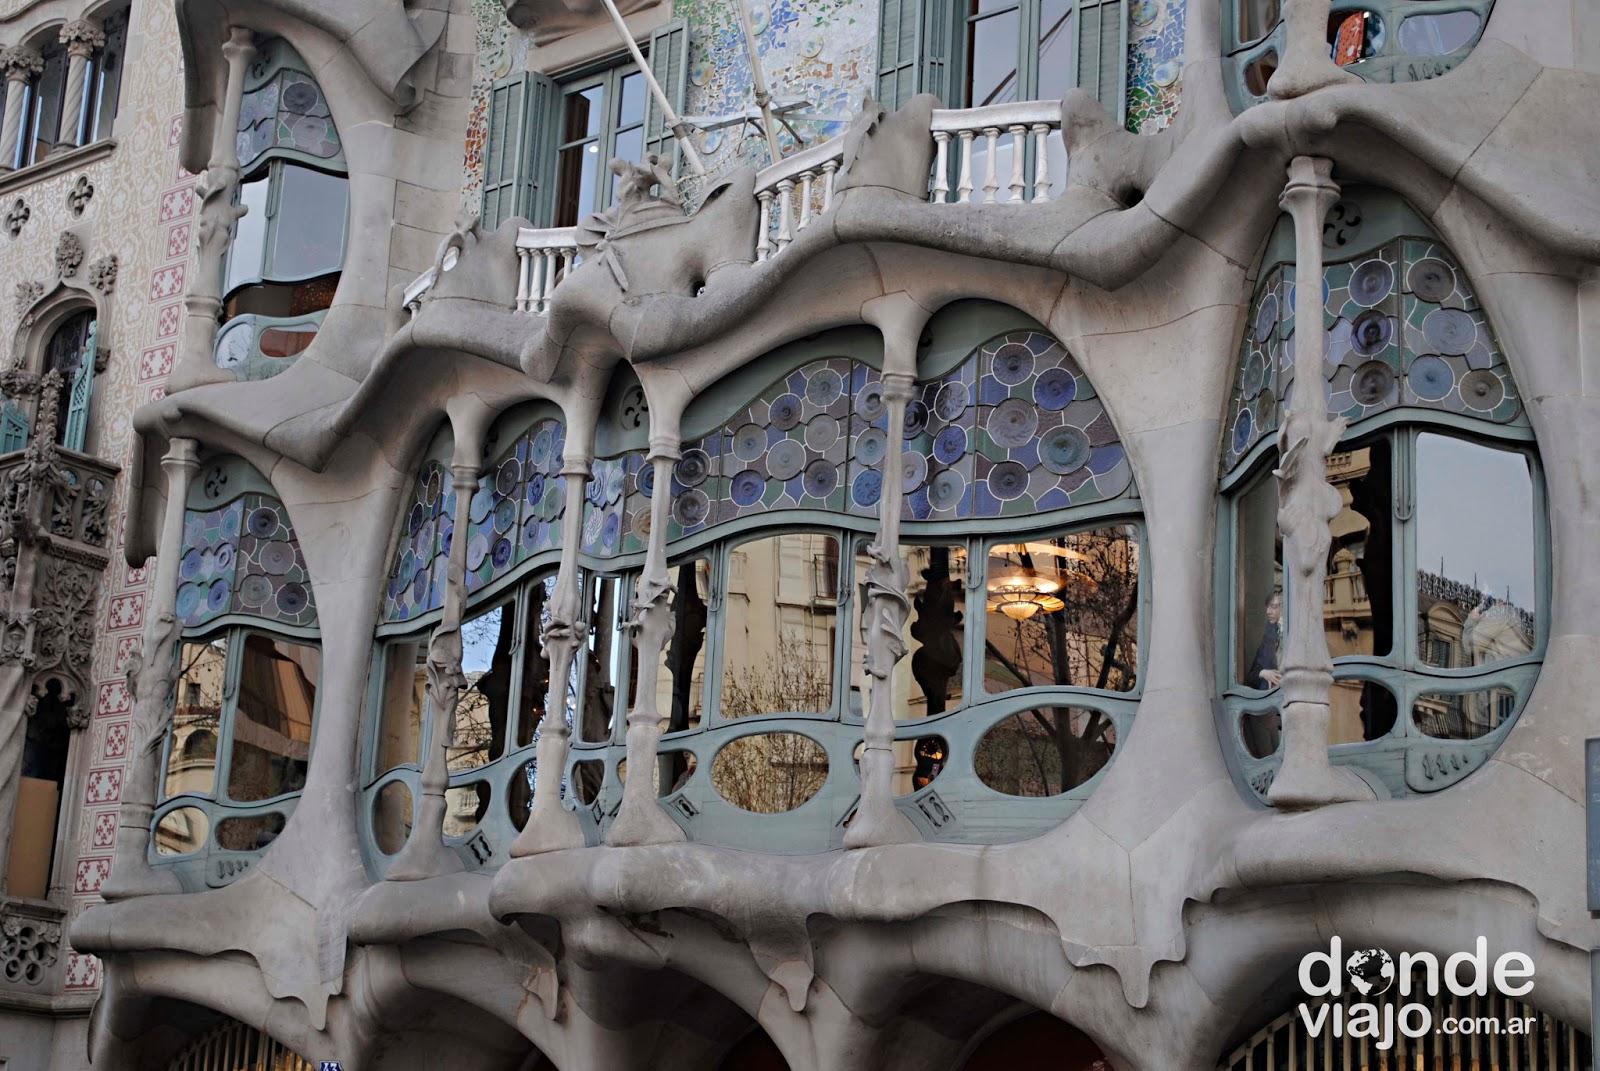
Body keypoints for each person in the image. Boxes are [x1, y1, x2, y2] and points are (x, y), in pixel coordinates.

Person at [1247, 591, 1283, 690]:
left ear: (1283, 608)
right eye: (1267, 607)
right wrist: (1263, 673)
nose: (1268, 611)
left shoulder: (1291, 633)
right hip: (1268, 692)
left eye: (1273, 607)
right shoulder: (1267, 636)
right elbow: (1251, 675)